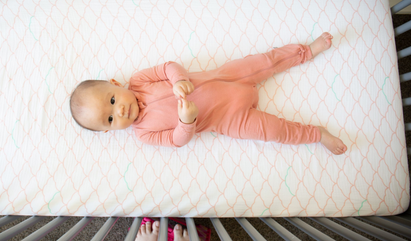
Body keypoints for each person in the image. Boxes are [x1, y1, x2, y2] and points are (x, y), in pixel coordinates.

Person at [70, 32, 347, 154]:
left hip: (225, 78)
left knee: (265, 61)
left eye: (112, 100)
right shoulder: (144, 135)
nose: (118, 111)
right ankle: (316, 134)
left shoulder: (139, 80)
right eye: (109, 119)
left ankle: (306, 52)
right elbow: (178, 141)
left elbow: (168, 66)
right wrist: (186, 122)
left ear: (115, 83)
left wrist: (178, 80)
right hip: (226, 119)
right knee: (273, 132)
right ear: (110, 131)